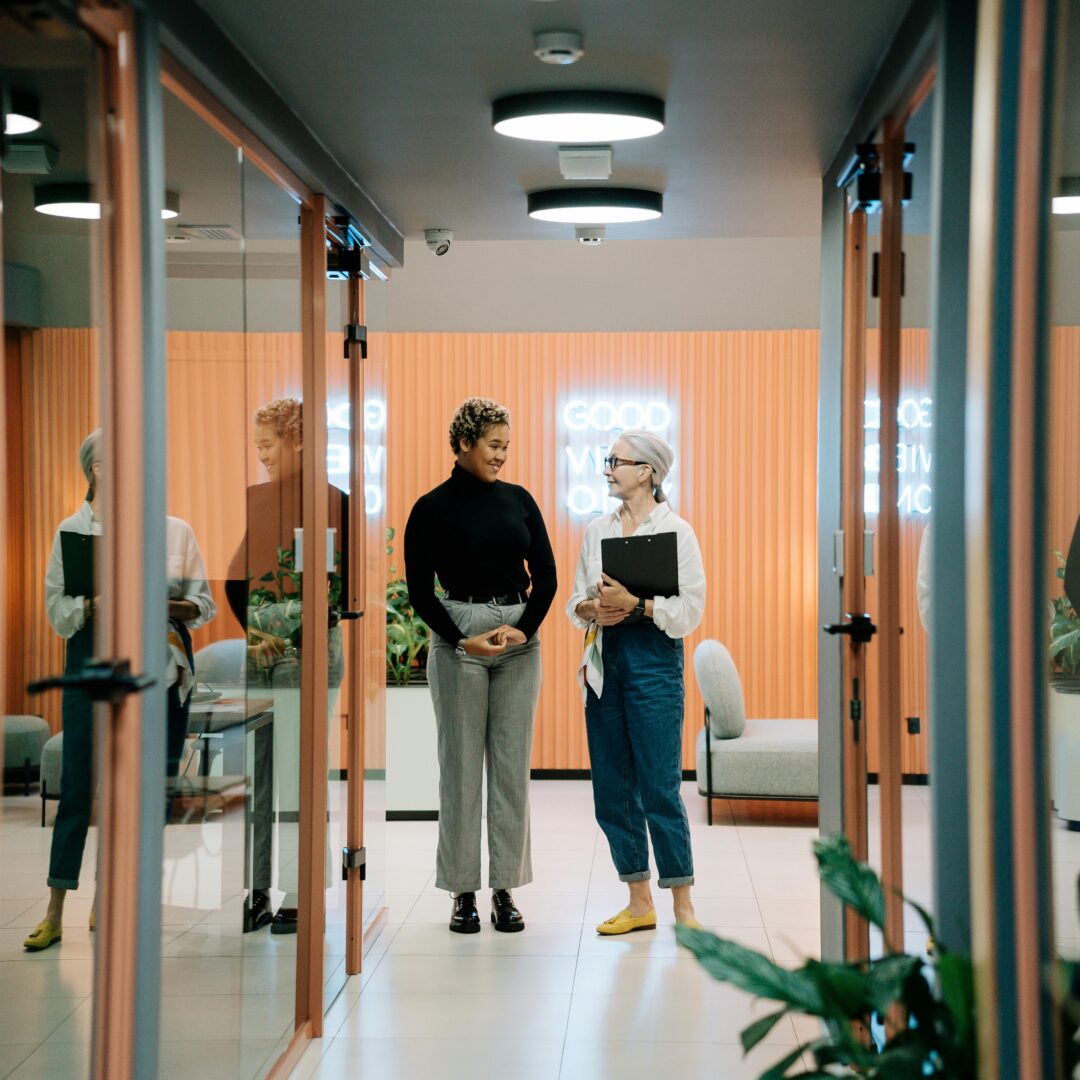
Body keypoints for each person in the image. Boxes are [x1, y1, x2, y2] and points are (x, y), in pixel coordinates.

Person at [25, 429, 216, 951]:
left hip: (156, 667)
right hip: (91, 664)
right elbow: (56, 610)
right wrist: (95, 604)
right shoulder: (72, 530)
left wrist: (155, 600)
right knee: (79, 788)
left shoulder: (173, 531)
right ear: (98, 469)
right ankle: (54, 907)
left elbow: (204, 607)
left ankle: (114, 899)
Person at [404, 397, 557, 934]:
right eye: (494, 446)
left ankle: (505, 890)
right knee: (462, 771)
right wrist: (460, 641)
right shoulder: (430, 507)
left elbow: (547, 576)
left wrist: (524, 629)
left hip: (518, 636)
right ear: (465, 442)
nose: (501, 457)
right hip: (459, 634)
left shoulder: (520, 500)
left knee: (512, 769)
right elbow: (420, 590)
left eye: (507, 448)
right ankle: (462, 892)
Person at [566, 429, 706, 935]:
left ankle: (684, 908)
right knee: (612, 787)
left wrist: (638, 606)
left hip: (654, 664)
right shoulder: (596, 530)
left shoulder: (678, 532)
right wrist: (591, 607)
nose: (607, 469)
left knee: (659, 788)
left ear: (645, 471)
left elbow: (690, 610)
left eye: (615, 461)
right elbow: (574, 601)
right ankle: (639, 901)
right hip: (606, 662)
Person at [225, 397, 347, 934]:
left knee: (301, 775)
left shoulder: (330, 502)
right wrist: (256, 636)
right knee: (260, 778)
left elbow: (331, 592)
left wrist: (276, 630)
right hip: (265, 650)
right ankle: (256, 891)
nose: (263, 457)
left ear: (297, 441)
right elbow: (235, 579)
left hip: (310, 651)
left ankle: (300, 894)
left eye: (269, 446)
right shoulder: (261, 502)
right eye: (257, 448)